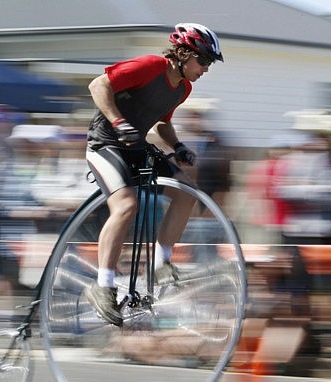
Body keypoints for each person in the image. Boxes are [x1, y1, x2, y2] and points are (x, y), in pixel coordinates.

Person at [83, 23, 223, 326]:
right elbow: (98, 85)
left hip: (136, 146)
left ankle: (161, 264)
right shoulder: (150, 66)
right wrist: (118, 121)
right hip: (105, 143)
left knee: (188, 193)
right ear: (184, 54)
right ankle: (103, 285)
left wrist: (178, 145)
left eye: (209, 63)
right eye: (204, 61)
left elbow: (162, 123)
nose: (206, 69)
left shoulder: (183, 88)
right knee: (126, 206)